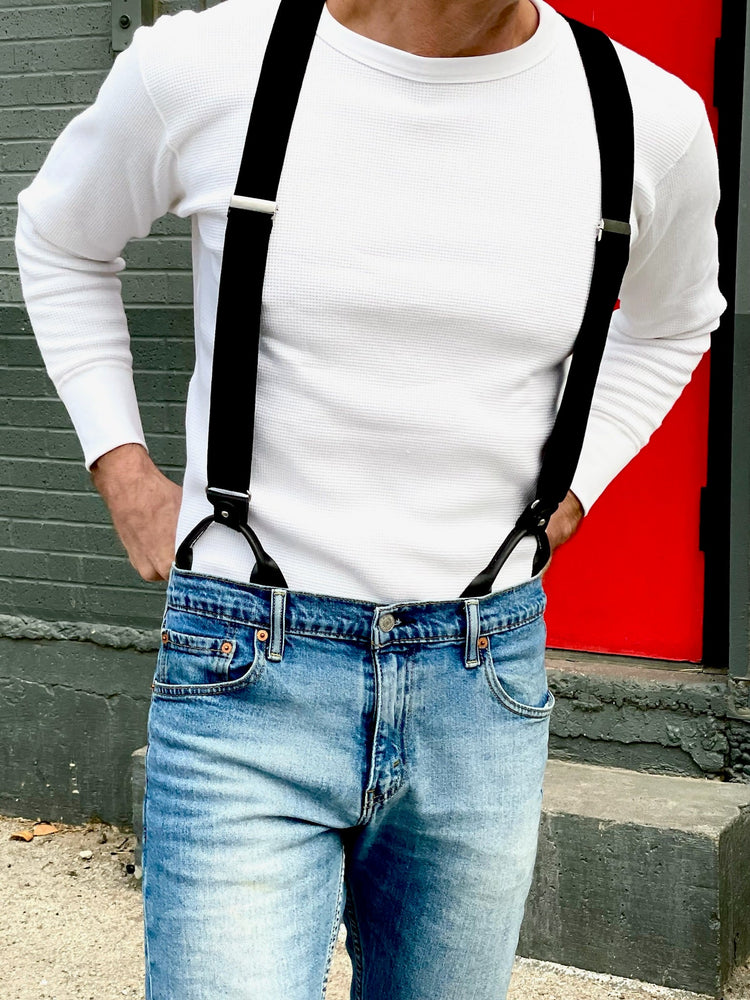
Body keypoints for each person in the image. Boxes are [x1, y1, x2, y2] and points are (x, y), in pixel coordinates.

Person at [15, 0, 725, 997]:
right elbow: (59, 237)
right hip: (246, 672)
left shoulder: (644, 118)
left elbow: (679, 317)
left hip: (483, 682)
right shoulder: (211, 68)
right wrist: (122, 471)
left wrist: (576, 484)